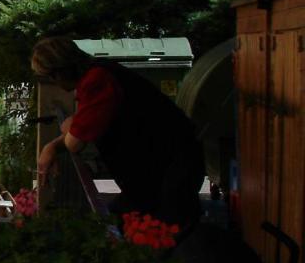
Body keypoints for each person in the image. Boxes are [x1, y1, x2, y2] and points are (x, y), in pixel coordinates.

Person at [31, 36, 205, 231]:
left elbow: (74, 142)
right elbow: (81, 129)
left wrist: (68, 127)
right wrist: (53, 146)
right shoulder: (99, 72)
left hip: (170, 169)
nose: (54, 83)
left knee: (163, 233)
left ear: (60, 72)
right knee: (125, 224)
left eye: (50, 77)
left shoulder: (96, 81)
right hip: (159, 170)